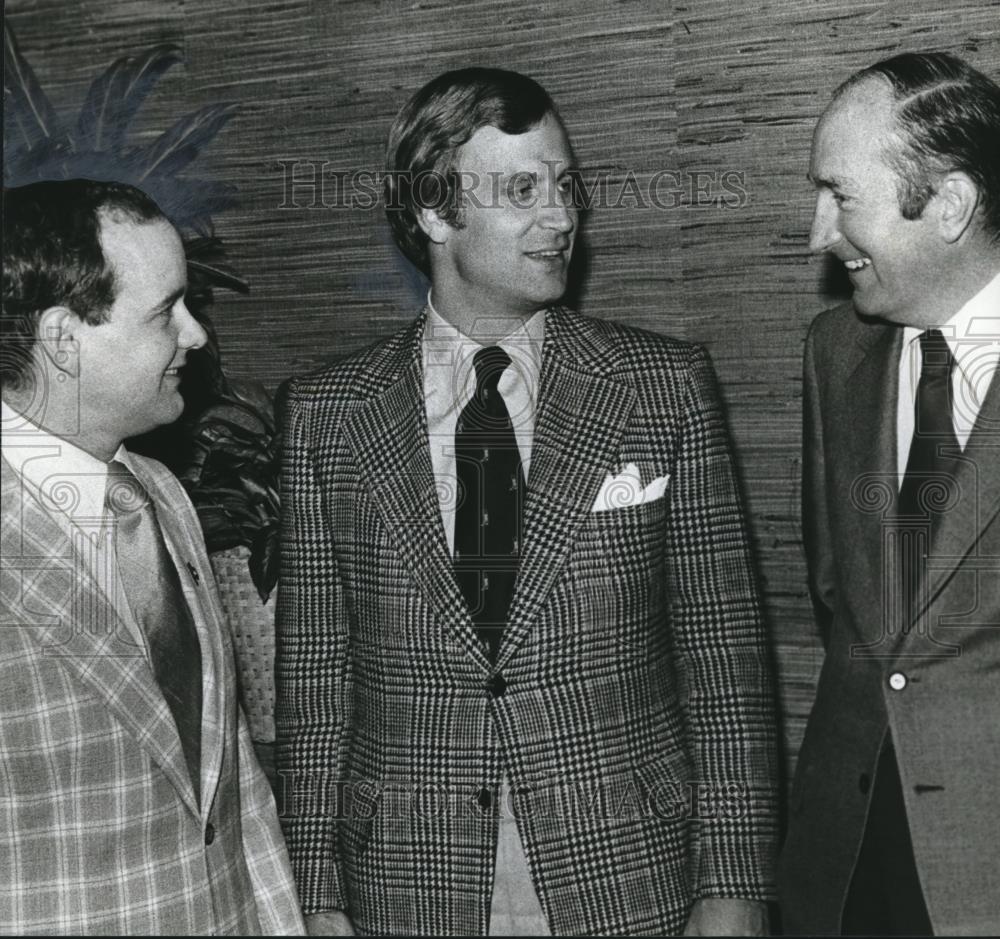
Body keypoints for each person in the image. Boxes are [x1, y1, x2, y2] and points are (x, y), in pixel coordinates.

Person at [276, 67, 777, 936]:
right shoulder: (328, 414)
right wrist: (318, 899)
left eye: (564, 186)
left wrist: (732, 890)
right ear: (435, 213)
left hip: (629, 871)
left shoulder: (661, 389)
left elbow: (725, 663)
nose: (561, 217)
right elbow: (317, 683)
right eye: (520, 190)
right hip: (407, 881)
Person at [0, 179, 305, 935]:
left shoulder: (159, 492)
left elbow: (229, 780)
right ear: (64, 339)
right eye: (166, 310)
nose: (197, 335)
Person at [779, 52, 1000, 935]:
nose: (817, 234)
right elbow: (840, 594)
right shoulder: (834, 351)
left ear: (946, 205)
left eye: (841, 196)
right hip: (845, 870)